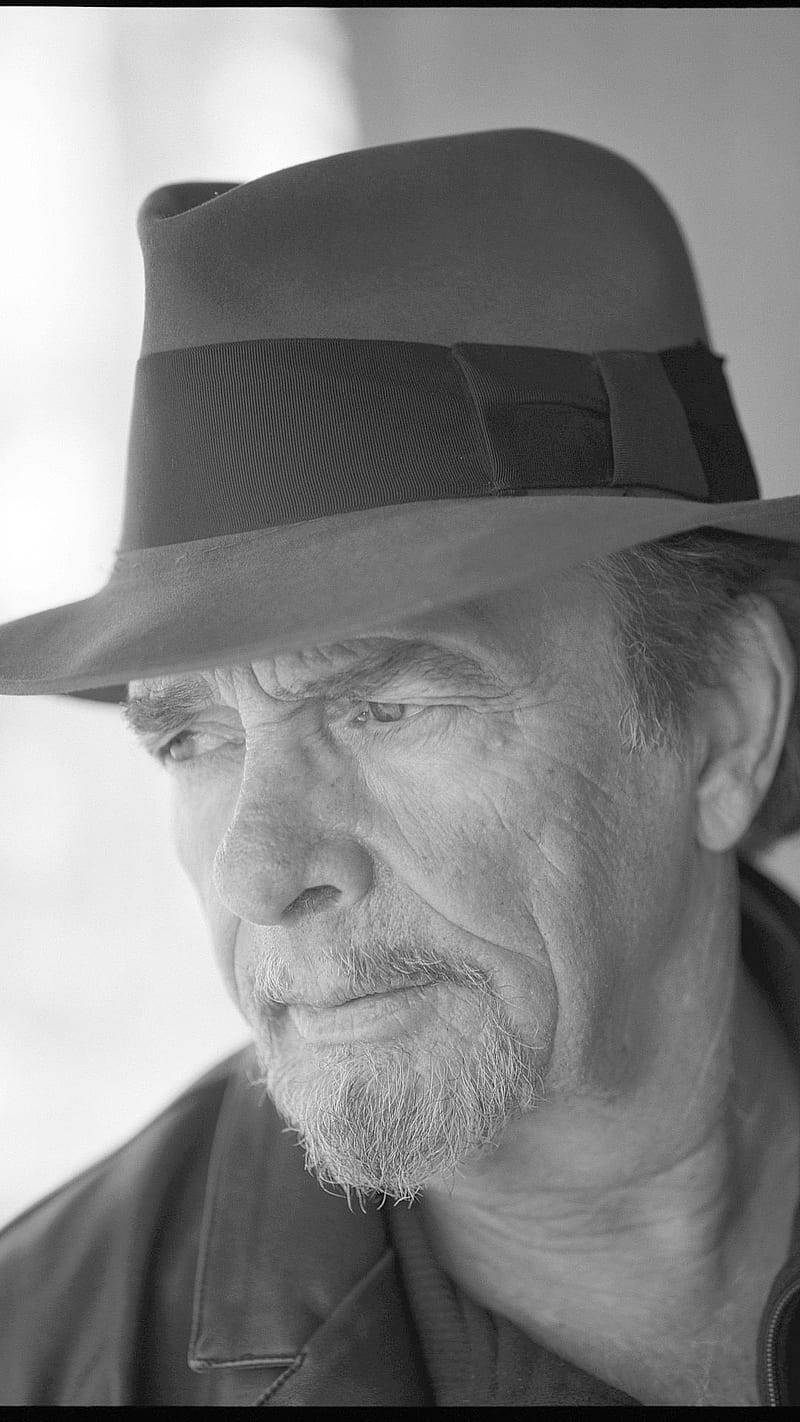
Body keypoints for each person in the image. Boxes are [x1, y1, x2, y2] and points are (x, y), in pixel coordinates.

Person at [1, 129, 799, 1407]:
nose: (258, 874)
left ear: (723, 717)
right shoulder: (42, 1357)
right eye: (192, 738)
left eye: (382, 704)